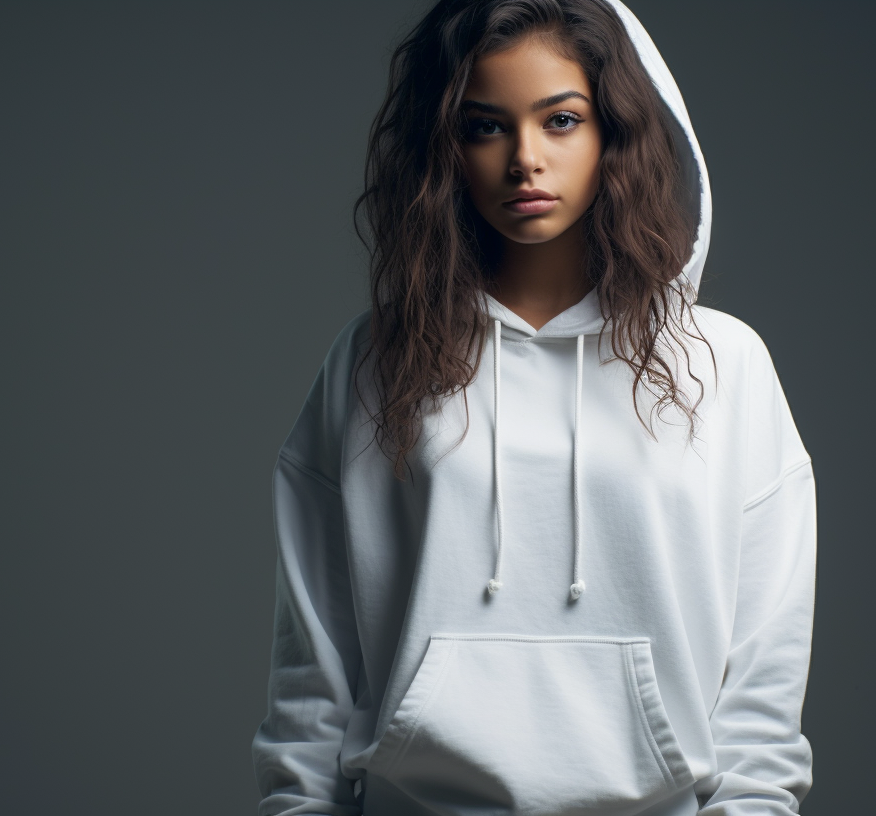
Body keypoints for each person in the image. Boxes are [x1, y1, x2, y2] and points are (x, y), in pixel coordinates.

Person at [251, 1, 816, 814]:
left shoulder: (723, 366)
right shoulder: (375, 361)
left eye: (560, 120)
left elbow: (762, 692)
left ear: (615, 132)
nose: (525, 159)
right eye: (485, 126)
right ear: (445, 148)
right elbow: (312, 679)